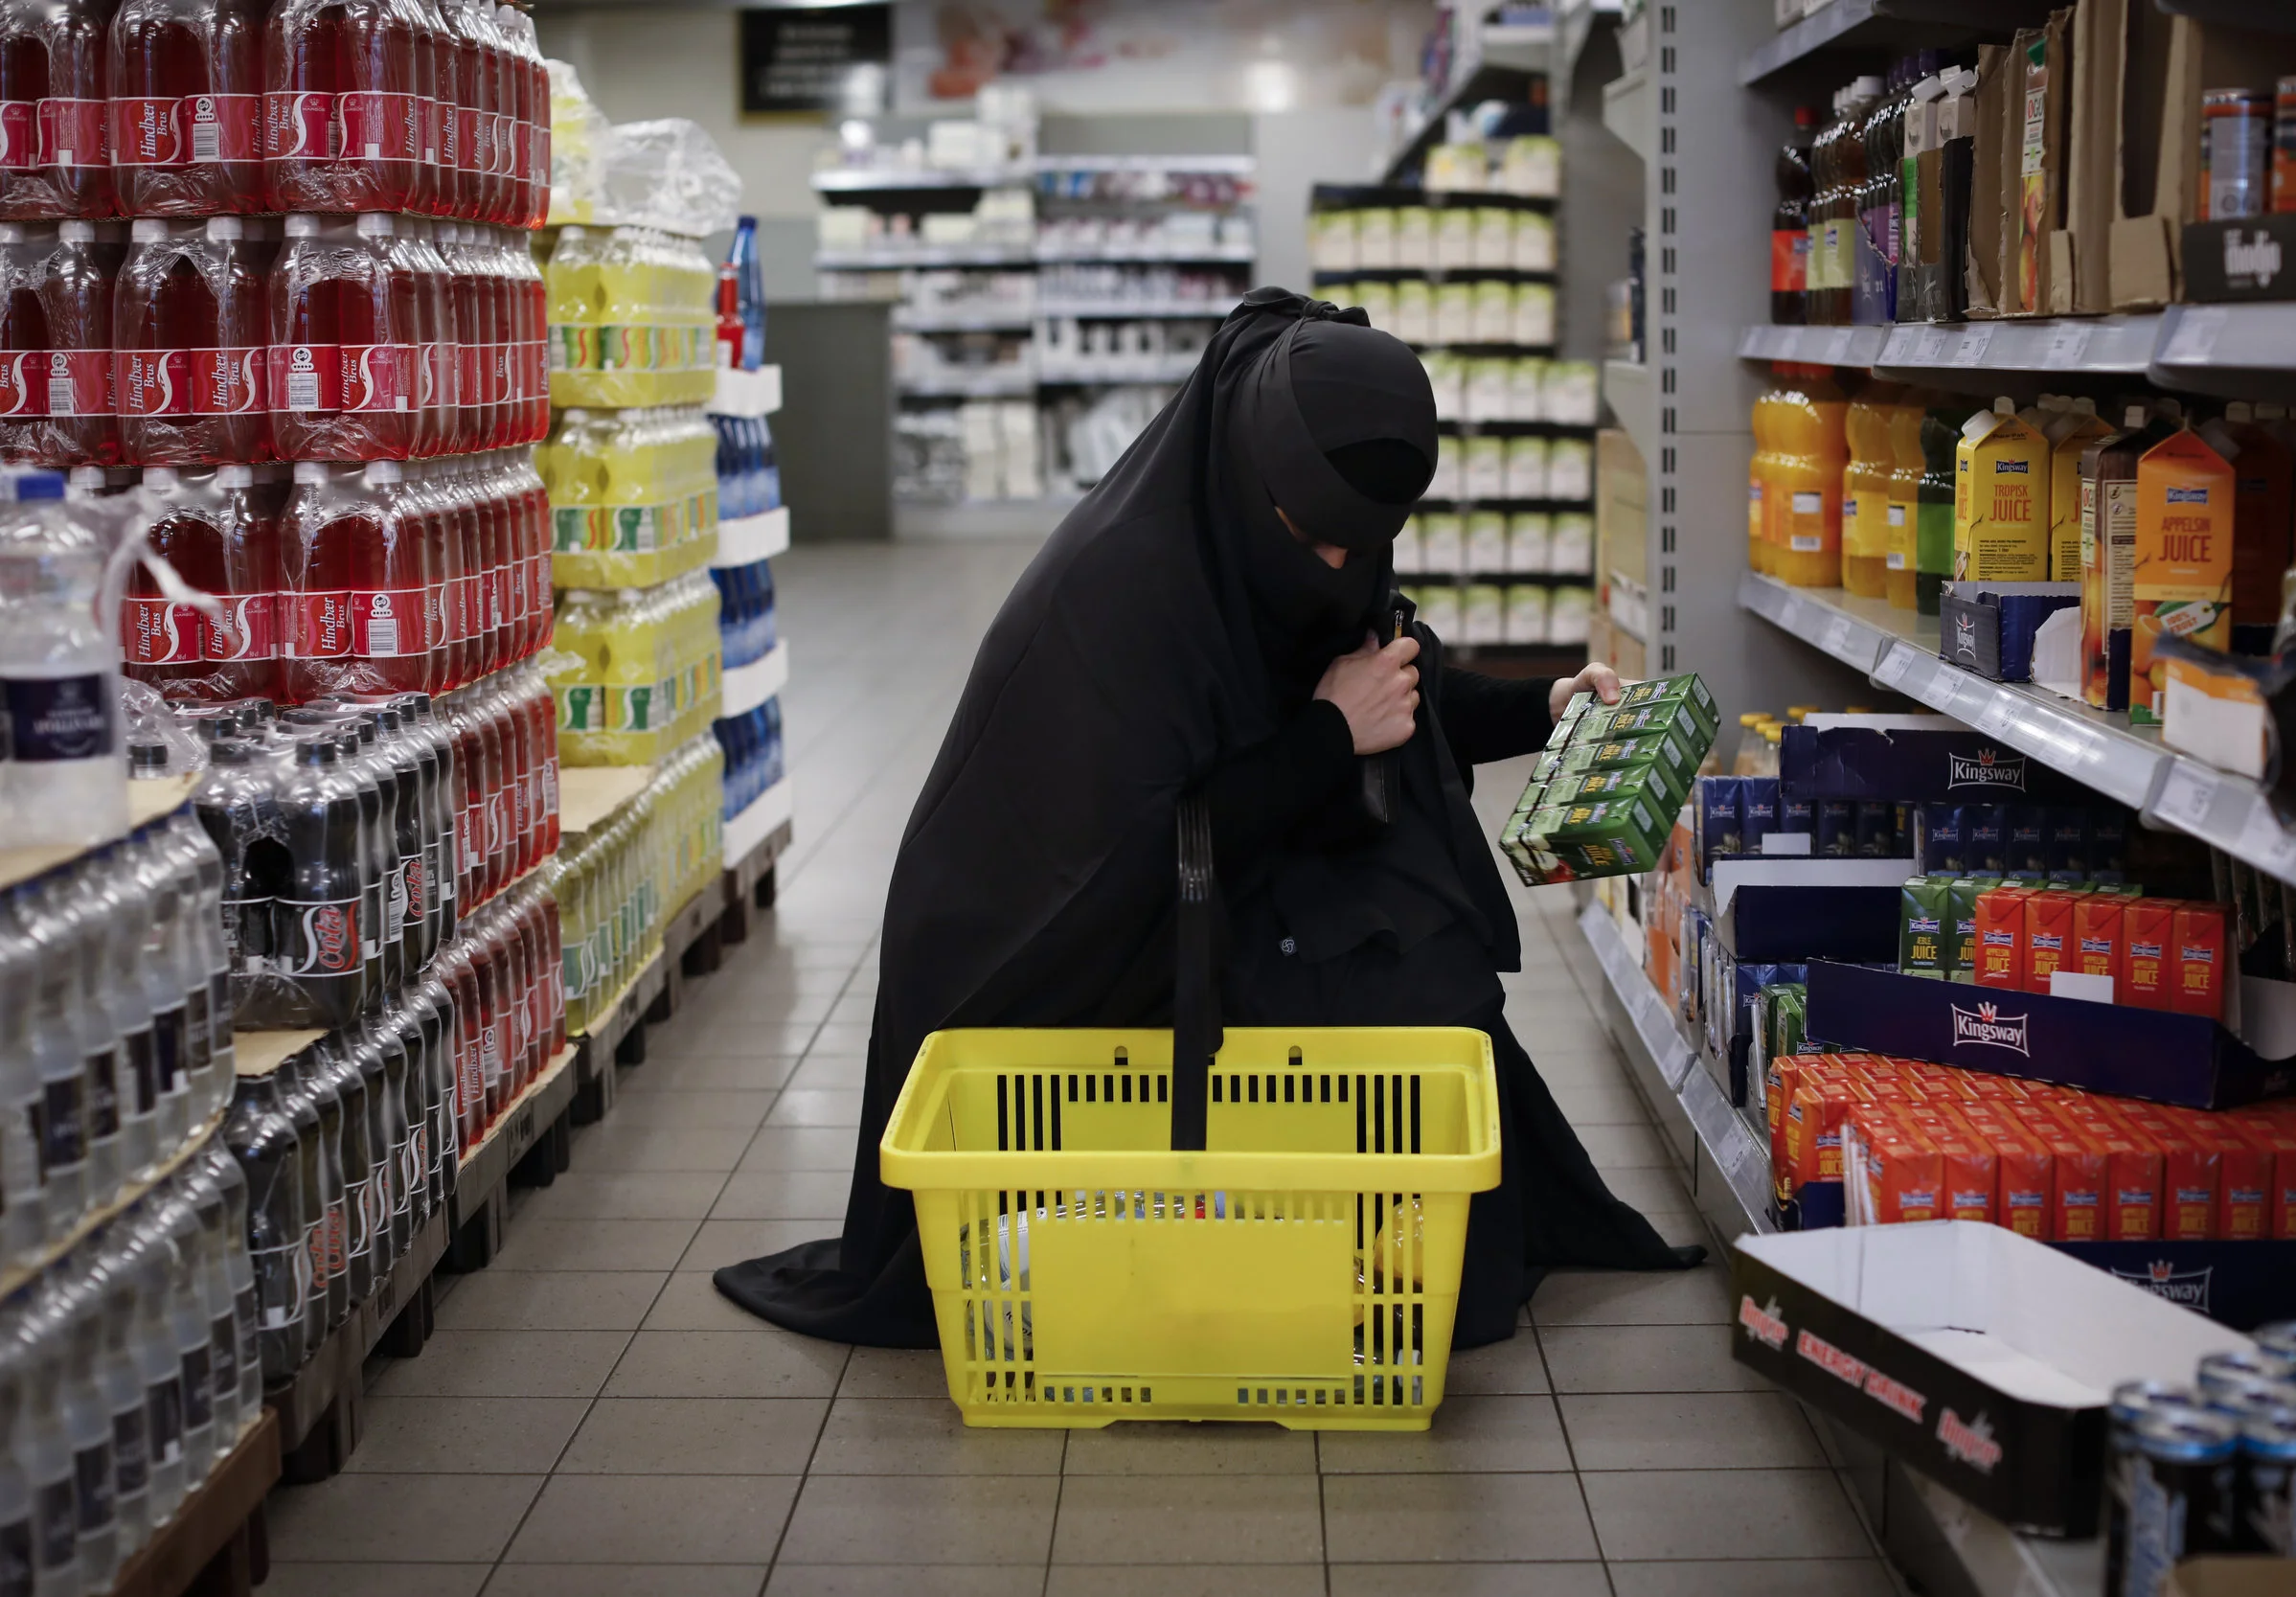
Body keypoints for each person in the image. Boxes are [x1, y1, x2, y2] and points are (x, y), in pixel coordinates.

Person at [716, 289, 1700, 1351]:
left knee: (1427, 946)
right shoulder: (1118, 594)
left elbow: (1387, 687)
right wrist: (1327, 735)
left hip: (1214, 860)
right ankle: (1344, 1265)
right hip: (1055, 944)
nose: (1334, 572)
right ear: (1258, 477)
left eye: (1359, 548)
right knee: (1385, 967)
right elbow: (1132, 851)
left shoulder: (1282, 506)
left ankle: (1428, 1249)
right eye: (1312, 540)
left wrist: (1540, 705)